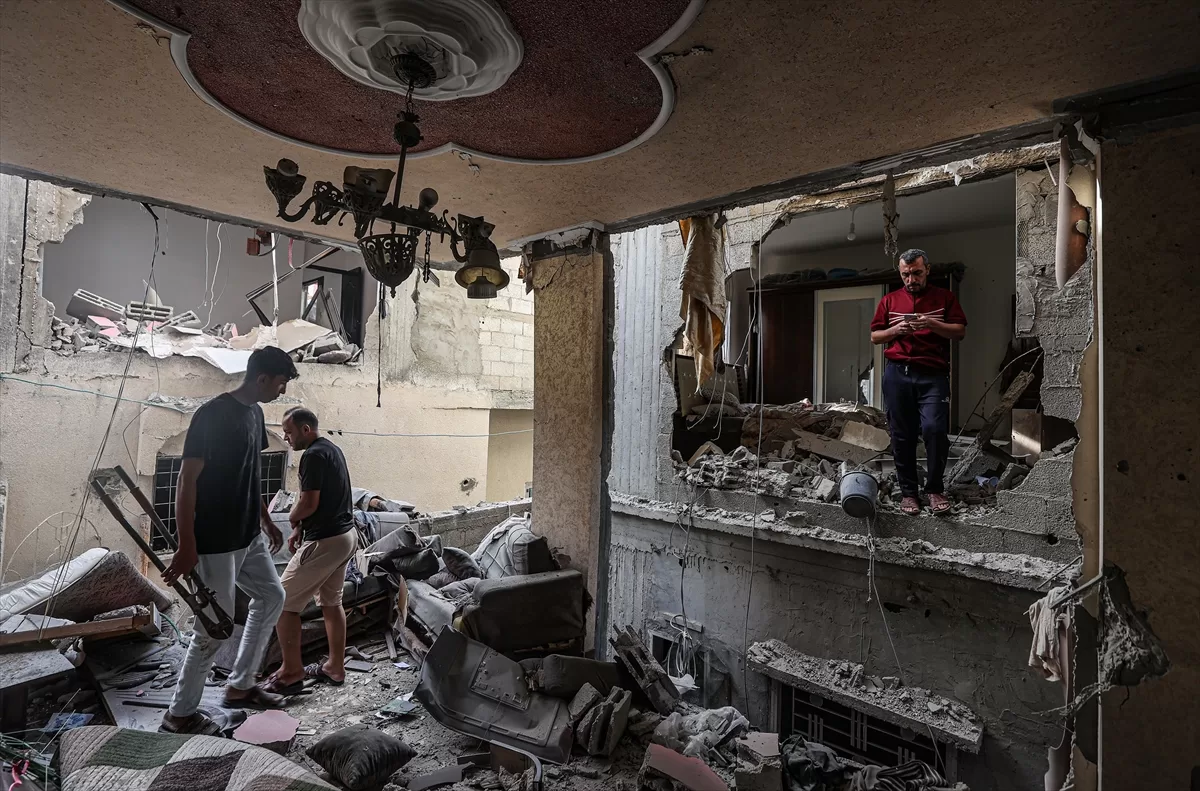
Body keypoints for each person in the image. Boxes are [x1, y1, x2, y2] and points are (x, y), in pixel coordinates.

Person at [160, 346, 298, 734]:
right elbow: (186, 481)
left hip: (248, 534)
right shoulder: (212, 415)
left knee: (272, 596)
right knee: (212, 629)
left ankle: (240, 686)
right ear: (262, 378)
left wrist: (266, 520)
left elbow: (250, 474)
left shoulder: (255, 415)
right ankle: (179, 715)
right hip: (215, 540)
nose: (282, 391)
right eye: (281, 383)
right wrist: (187, 545)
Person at [263, 406, 357, 694]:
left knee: (281, 602)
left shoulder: (313, 455)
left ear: (306, 429)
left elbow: (309, 502)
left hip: (325, 541)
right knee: (331, 602)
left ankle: (292, 671)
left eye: (289, 432)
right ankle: (335, 667)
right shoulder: (331, 450)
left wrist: (292, 518)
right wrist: (300, 528)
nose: (286, 438)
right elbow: (324, 500)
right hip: (345, 536)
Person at [870, 249, 967, 515]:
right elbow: (875, 336)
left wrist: (932, 324)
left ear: (927, 270)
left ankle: (935, 489)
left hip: (932, 374)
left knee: (935, 429)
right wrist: (895, 330)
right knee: (902, 434)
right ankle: (909, 494)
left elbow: (959, 331)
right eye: (905, 275)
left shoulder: (944, 298)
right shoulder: (889, 301)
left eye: (916, 273)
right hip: (897, 374)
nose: (911, 280)